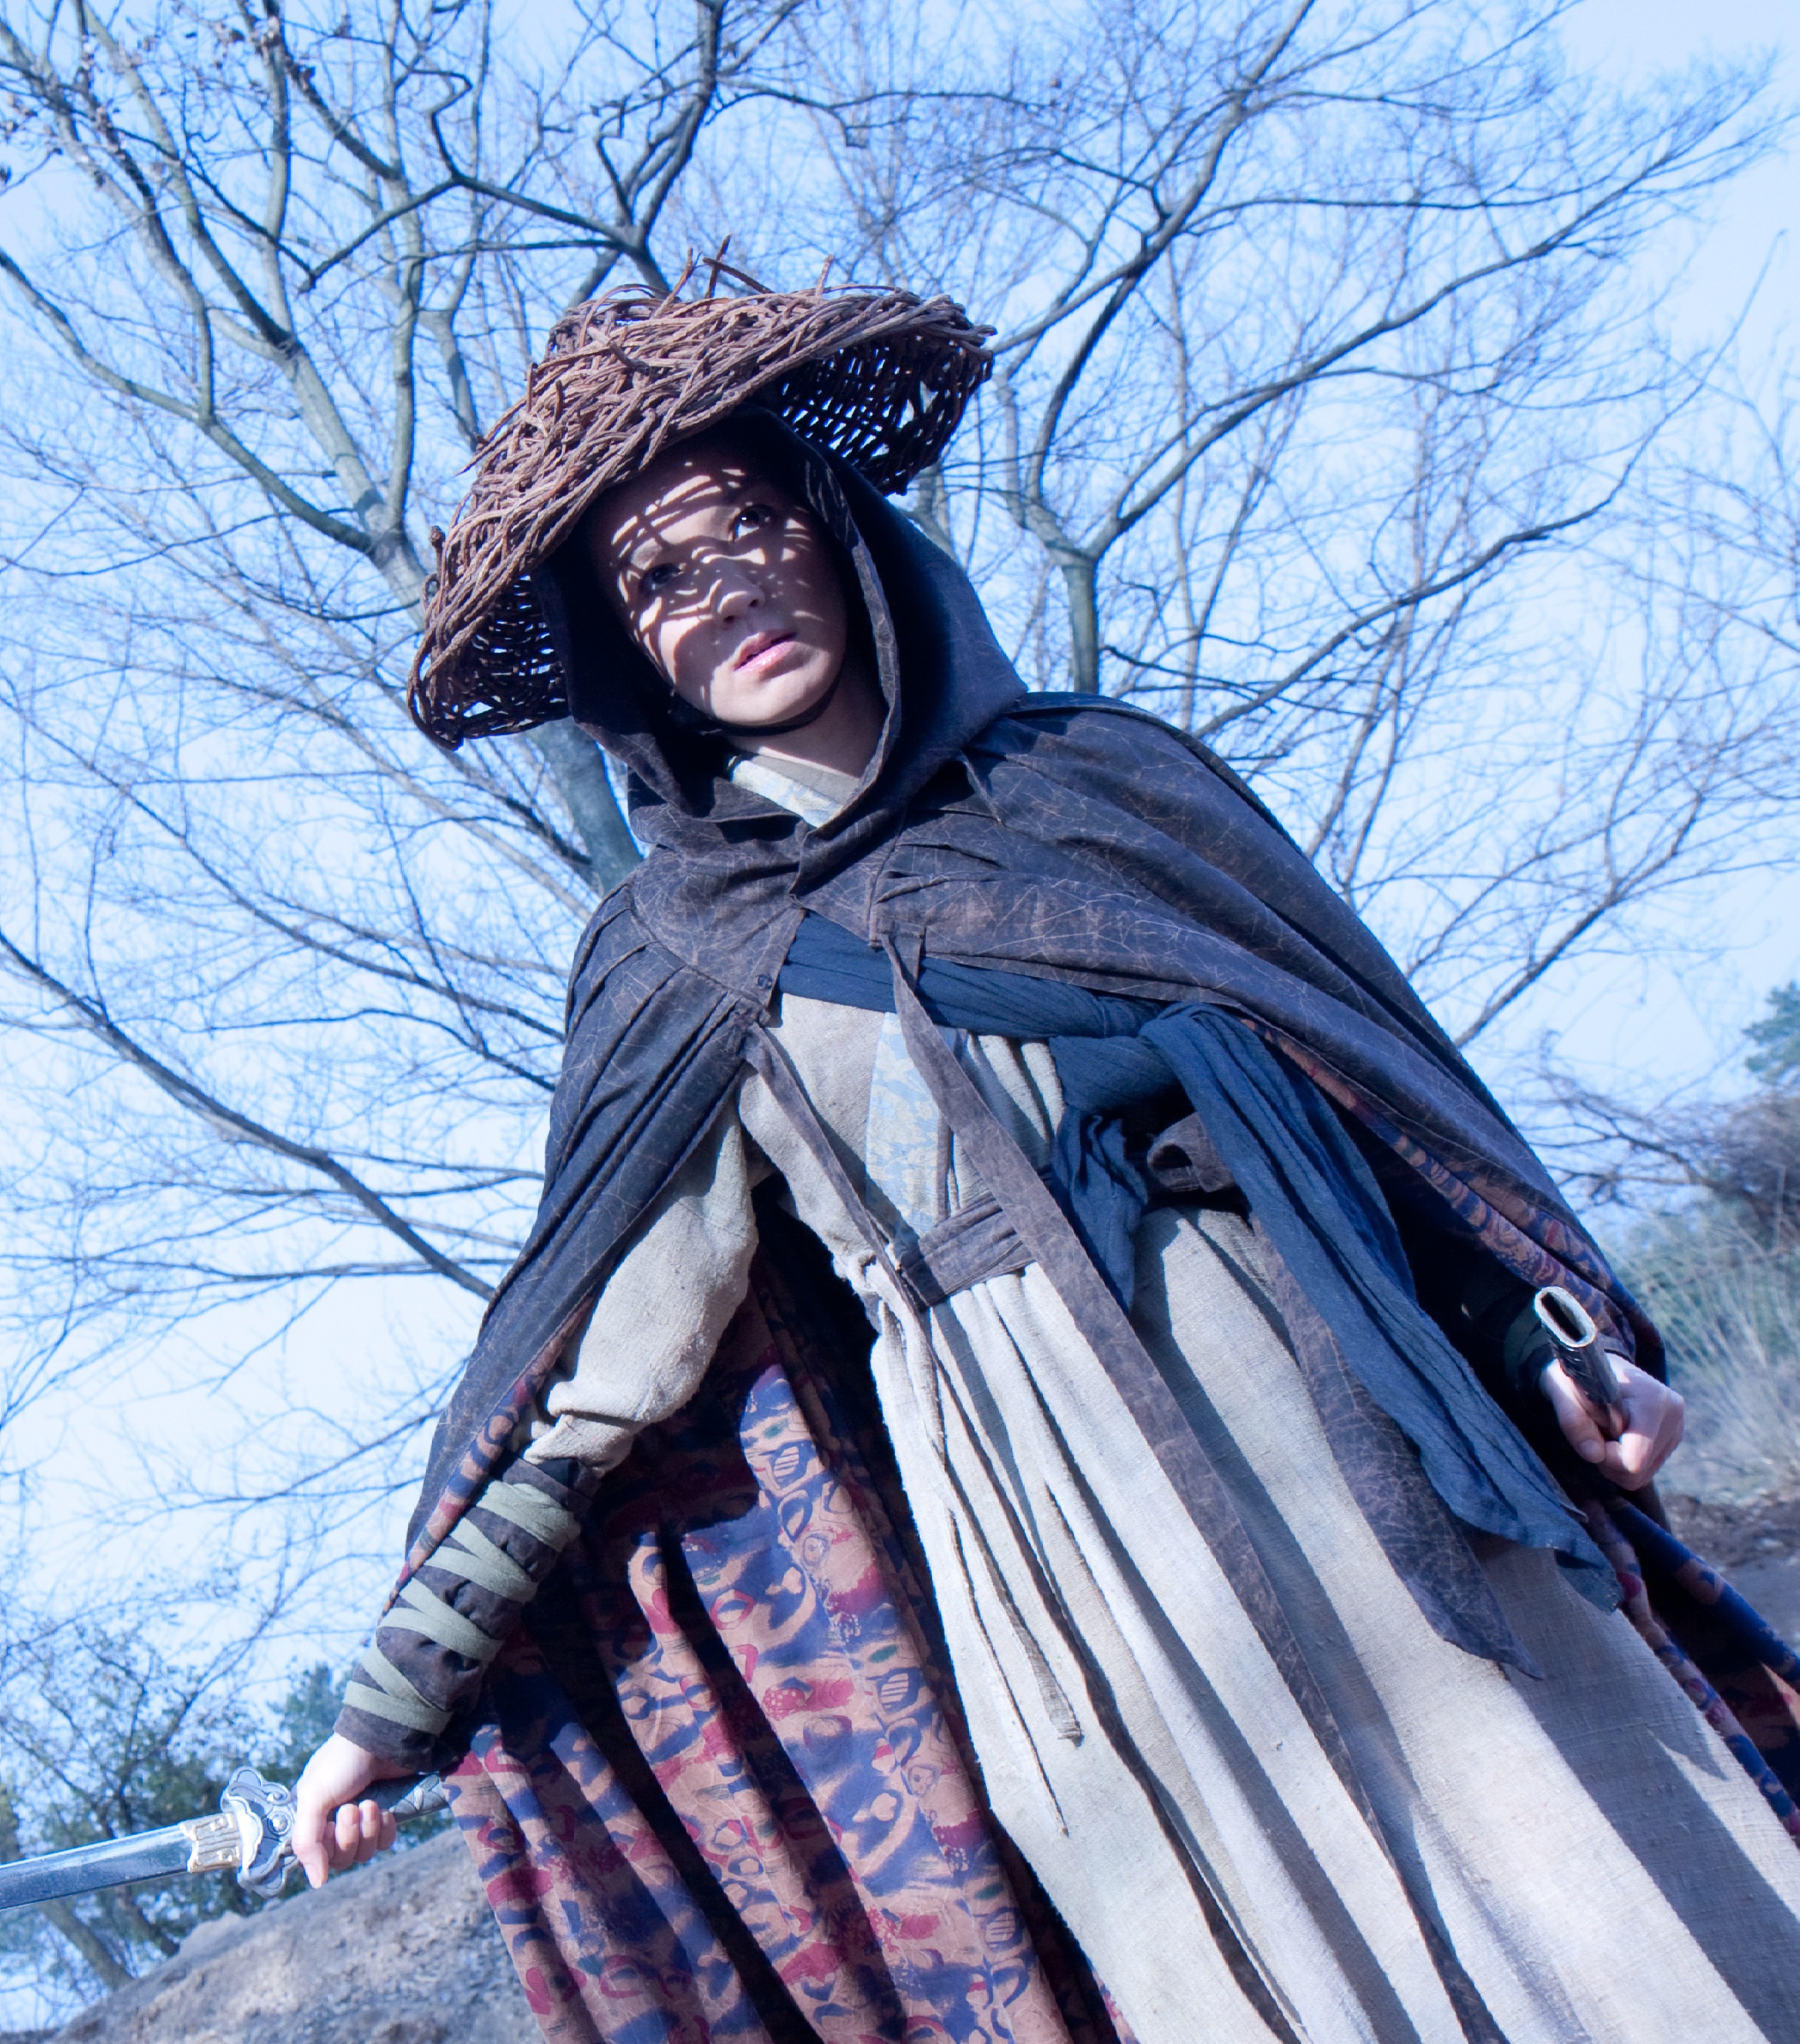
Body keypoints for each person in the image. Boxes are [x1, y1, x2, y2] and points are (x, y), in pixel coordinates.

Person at [292, 278, 1800, 2043]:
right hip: (1056, 1563)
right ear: (634, 657)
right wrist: (388, 1703)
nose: (728, 591)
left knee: (1594, 1869)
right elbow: (601, 1379)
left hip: (1359, 1434)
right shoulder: (676, 961)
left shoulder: (1104, 782)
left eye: (755, 523)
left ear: (841, 530)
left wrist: (1558, 1331)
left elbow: (1377, 1102)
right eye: (661, 577)